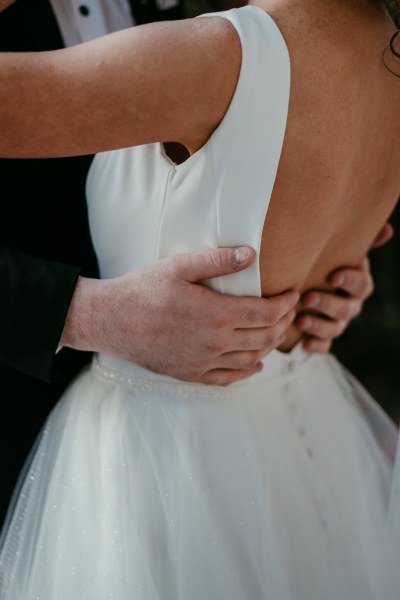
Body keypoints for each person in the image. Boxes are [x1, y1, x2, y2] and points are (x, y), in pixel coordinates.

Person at [0, 0, 399, 597]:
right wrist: (330, 268)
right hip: (303, 452)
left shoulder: (216, 55)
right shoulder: (384, 51)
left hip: (156, 467)